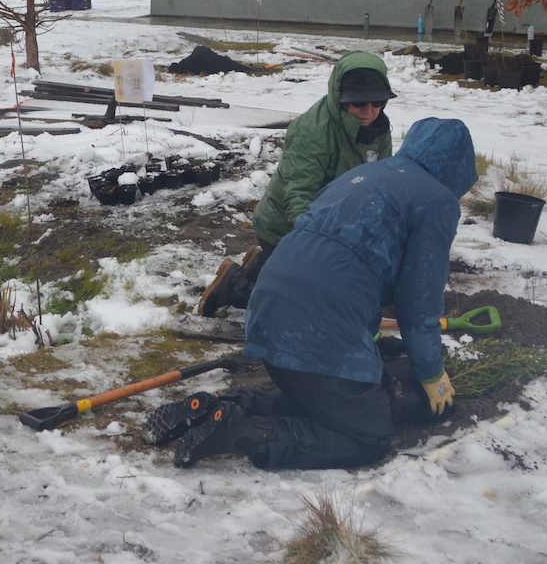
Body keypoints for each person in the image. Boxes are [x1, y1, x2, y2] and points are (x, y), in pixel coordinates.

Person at [147, 118, 476, 470]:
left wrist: (367, 341)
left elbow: (351, 263)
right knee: (368, 434)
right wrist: (429, 373)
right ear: (459, 167)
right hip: (318, 320)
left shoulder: (367, 173)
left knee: (319, 404)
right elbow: (419, 300)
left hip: (268, 305)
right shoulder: (437, 200)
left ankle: (215, 411)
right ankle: (241, 430)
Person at [197, 52, 395, 316]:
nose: (369, 111)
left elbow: (380, 180)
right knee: (308, 306)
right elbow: (300, 195)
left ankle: (262, 265)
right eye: (359, 103)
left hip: (332, 221)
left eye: (378, 101)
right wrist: (321, 249)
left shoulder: (378, 127)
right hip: (285, 225)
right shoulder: (313, 131)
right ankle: (233, 286)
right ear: (341, 97)